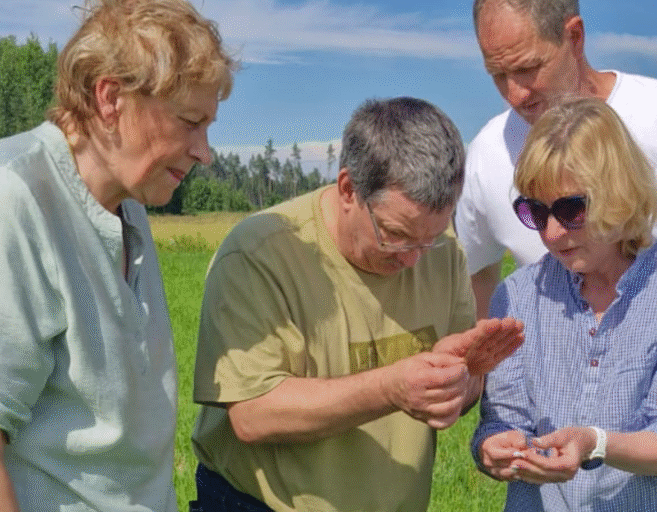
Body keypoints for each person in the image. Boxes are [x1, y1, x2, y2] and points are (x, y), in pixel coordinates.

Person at [454, 0, 657, 507]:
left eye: (528, 68)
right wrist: (488, 431)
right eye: (534, 213)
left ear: (574, 37)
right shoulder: (488, 155)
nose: (552, 234)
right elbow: (479, 293)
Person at [0, 1, 235, 510]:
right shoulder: (7, 197)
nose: (205, 151)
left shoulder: (126, 207)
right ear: (110, 98)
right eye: (189, 121)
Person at [190, 97, 524, 512]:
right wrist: (392, 387)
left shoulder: (443, 253)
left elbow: (463, 390)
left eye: (430, 238)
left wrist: (457, 383)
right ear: (348, 189)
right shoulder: (260, 254)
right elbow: (253, 416)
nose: (413, 259)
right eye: (395, 235)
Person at [472, 97, 657, 511]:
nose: (552, 232)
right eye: (536, 211)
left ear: (620, 193)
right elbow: (502, 420)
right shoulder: (516, 295)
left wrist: (593, 443)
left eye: (571, 209)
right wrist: (496, 447)